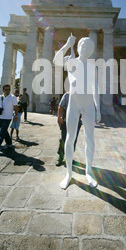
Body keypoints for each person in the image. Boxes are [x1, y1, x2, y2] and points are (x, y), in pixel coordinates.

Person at [53, 34, 100, 189]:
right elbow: (56, 61)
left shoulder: (93, 67)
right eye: (82, 45)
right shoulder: (71, 61)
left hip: (88, 105)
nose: (85, 48)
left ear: (92, 51)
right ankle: (69, 173)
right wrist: (67, 44)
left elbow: (95, 90)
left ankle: (89, 171)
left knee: (90, 138)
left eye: (88, 47)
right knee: (70, 137)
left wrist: (98, 109)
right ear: (78, 47)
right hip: (73, 102)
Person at [0, 84, 18, 157]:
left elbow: (16, 107)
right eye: (6, 89)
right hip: (0, 117)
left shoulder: (13, 97)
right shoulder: (0, 97)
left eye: (9, 89)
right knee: (4, 131)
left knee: (1, 133)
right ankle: (9, 143)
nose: (8, 91)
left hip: (8, 118)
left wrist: (16, 116)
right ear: (3, 90)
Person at [56, 92, 82, 166]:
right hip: (66, 122)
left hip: (77, 122)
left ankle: (69, 158)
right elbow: (60, 106)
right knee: (63, 139)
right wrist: (59, 117)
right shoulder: (67, 95)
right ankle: (60, 157)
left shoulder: (81, 96)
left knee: (73, 140)